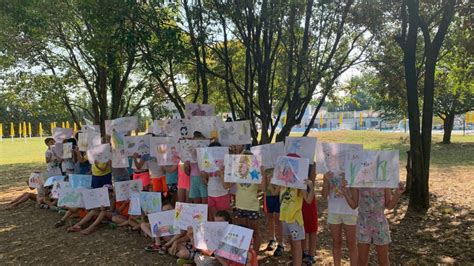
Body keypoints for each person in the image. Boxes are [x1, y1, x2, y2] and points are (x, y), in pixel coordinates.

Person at [342, 180, 405, 266]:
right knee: (362, 260)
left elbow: (389, 205)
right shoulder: (357, 180)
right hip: (363, 223)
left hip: (380, 223)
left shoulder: (383, 180)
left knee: (383, 259)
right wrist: (345, 193)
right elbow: (354, 205)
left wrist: (398, 193)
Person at [279, 153, 315, 266]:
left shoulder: (300, 184)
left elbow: (308, 200)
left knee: (297, 244)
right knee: (292, 244)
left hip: (295, 219)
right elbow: (275, 192)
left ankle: (297, 263)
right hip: (284, 217)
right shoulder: (283, 181)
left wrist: (311, 186)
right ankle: (295, 262)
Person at [322, 171, 358, 266]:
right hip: (334, 211)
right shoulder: (329, 169)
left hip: (350, 212)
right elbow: (324, 195)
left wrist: (350, 182)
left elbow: (356, 196)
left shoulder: (352, 167)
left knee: (352, 244)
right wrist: (325, 181)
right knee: (336, 243)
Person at [233, 149, 263, 253]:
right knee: (243, 231)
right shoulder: (237, 171)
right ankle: (245, 254)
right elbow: (227, 185)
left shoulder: (255, 172)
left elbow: (262, 188)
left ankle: (254, 255)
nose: (244, 161)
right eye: (242, 159)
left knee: (255, 232)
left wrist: (261, 173)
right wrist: (224, 172)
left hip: (252, 206)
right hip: (240, 205)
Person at [201, 141, 231, 221]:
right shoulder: (207, 164)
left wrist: (221, 173)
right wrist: (203, 176)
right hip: (211, 193)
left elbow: (227, 182)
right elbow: (206, 181)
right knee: (215, 217)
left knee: (225, 217)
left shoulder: (225, 163)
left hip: (222, 194)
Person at [262, 167, 284, 256]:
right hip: (268, 195)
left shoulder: (280, 162)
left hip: (279, 194)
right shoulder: (266, 165)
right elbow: (263, 188)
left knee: (278, 219)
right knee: (270, 217)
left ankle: (281, 243)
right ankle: (272, 239)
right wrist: (264, 175)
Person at [302, 163, 318, 264]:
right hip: (296, 196)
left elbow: (313, 177)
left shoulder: (310, 161)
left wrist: (313, 164)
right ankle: (303, 251)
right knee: (301, 225)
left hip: (308, 192)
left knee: (311, 226)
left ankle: (311, 254)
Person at [185, 131, 208, 204]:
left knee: (205, 201)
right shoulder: (189, 154)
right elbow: (187, 172)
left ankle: (207, 215)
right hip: (193, 179)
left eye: (200, 142)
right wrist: (186, 165)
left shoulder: (206, 153)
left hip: (204, 177)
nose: (198, 145)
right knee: (196, 203)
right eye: (195, 143)